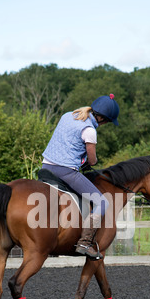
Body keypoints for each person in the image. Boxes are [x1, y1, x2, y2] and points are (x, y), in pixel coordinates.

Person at [41, 94, 119, 259]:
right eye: (107, 122)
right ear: (103, 119)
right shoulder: (89, 130)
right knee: (102, 202)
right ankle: (85, 242)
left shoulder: (67, 115)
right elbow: (92, 160)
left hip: (46, 166)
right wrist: (92, 161)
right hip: (65, 171)